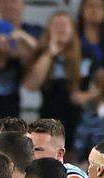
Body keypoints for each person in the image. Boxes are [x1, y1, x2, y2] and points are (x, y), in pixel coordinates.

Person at [23, 11, 88, 142]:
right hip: (48, 121)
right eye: (56, 25)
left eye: (64, 24)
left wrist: (86, 96)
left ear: (73, 29)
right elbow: (30, 85)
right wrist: (50, 53)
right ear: (48, 30)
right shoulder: (41, 54)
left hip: (79, 121)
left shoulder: (86, 53)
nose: (61, 28)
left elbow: (101, 85)